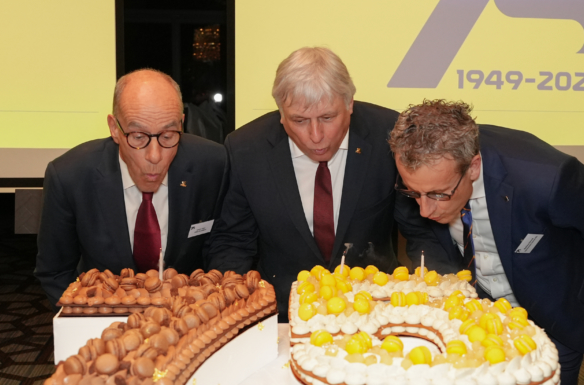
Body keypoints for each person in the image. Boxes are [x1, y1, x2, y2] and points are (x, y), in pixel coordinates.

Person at [388, 99, 584, 385]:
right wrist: (455, 289)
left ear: (473, 167)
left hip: (553, 313)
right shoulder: (418, 177)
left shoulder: (547, 179)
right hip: (473, 313)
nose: (425, 209)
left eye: (439, 194)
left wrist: (548, 263)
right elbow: (418, 229)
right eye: (414, 194)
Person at [207, 47, 440, 316]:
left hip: (376, 307)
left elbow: (422, 231)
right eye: (299, 120)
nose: (316, 135)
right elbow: (233, 241)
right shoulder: (246, 149)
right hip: (281, 312)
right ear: (281, 112)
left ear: (350, 103)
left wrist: (438, 304)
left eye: (327, 118)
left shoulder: (388, 136)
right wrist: (229, 310)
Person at [35, 69, 227, 306]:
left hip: (189, 313)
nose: (154, 155)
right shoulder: (70, 176)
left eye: (168, 136)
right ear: (114, 128)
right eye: (137, 137)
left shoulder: (212, 165)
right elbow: (54, 272)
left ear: (182, 124)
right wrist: (91, 317)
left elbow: (224, 247)